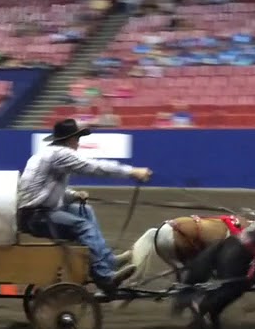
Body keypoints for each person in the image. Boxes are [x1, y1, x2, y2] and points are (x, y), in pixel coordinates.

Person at [17, 119, 153, 293]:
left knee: (85, 211)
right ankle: (105, 277)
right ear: (71, 140)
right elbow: (94, 167)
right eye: (77, 139)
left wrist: (73, 195)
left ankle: (108, 260)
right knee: (83, 226)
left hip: (35, 212)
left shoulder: (46, 154)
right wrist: (131, 171)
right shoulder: (61, 154)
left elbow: (44, 190)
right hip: (37, 216)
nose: (78, 143)